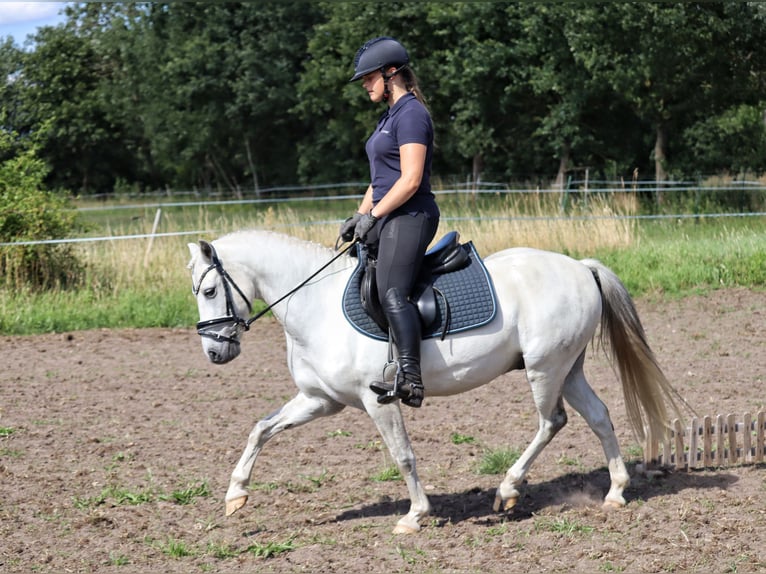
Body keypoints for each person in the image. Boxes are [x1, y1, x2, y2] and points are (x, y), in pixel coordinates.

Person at [339, 36, 440, 408]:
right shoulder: (389, 116)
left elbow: (410, 180)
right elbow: (380, 178)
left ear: (390, 73)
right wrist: (361, 214)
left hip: (411, 214)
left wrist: (375, 215)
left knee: (392, 291)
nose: (365, 84)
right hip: (389, 213)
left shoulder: (412, 114)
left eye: (369, 77)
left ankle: (411, 378)